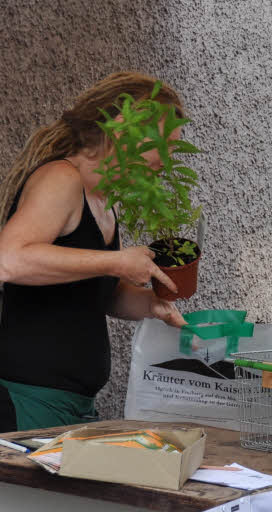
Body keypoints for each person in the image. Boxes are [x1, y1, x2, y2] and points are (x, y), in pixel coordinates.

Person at [0, 72, 186, 432]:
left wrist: (150, 305)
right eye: (163, 145)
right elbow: (9, 259)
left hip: (73, 406)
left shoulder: (104, 201)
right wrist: (117, 260)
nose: (167, 160)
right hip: (28, 401)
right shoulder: (62, 179)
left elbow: (94, 292)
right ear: (121, 128)